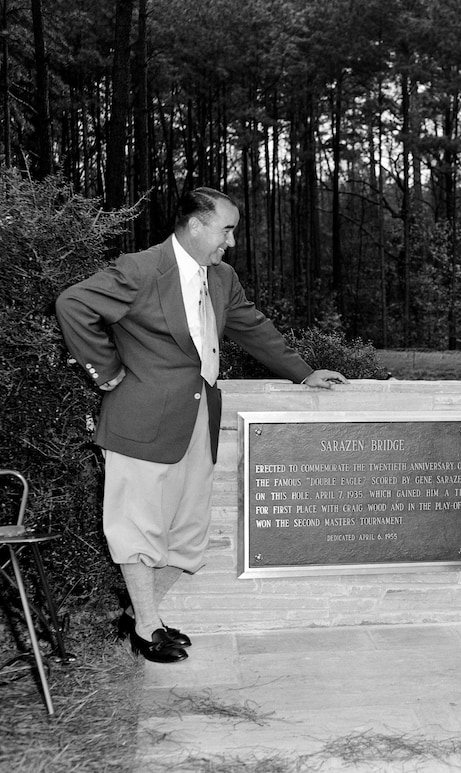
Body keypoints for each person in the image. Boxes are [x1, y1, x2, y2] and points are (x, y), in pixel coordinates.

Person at [56, 187, 348, 664]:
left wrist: (303, 371)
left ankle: (138, 613)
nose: (231, 241)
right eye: (226, 229)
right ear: (195, 225)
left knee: (186, 536)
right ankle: (147, 626)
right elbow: (72, 305)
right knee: (136, 529)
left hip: (197, 421)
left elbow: (253, 327)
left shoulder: (222, 277)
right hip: (141, 421)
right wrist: (107, 372)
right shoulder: (141, 269)